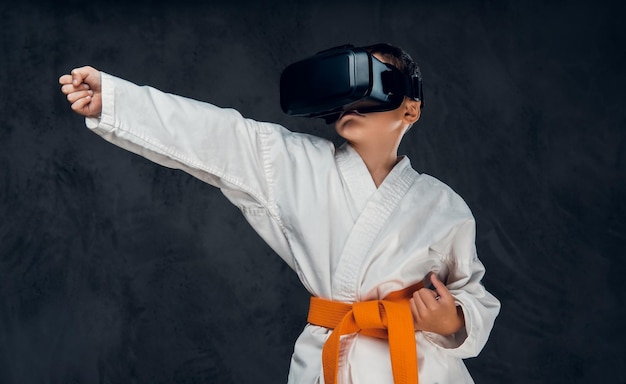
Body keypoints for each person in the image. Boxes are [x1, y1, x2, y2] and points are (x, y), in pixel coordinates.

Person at [59, 43, 500, 384]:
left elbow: (473, 295)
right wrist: (117, 101)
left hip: (422, 368)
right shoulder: (292, 163)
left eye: (370, 80)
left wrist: (452, 319)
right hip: (331, 359)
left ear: (410, 108)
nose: (351, 100)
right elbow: (219, 136)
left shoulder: (444, 206)